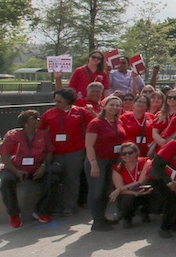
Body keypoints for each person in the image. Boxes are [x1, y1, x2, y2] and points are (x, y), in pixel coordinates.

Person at [1, 110, 60, 228]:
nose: (39, 120)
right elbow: (5, 156)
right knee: (7, 182)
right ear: (26, 122)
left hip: (37, 168)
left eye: (39, 117)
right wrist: (16, 171)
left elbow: (49, 153)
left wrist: (43, 167)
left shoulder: (43, 135)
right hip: (15, 168)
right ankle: (14, 214)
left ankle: (41, 210)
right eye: (35, 118)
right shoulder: (13, 136)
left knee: (54, 179)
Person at [40, 88, 93, 216]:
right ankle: (56, 205)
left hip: (75, 151)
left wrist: (92, 112)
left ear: (68, 101)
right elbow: (40, 130)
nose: (56, 103)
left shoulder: (80, 112)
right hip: (55, 151)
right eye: (55, 100)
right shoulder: (49, 113)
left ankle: (70, 205)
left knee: (72, 178)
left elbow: (93, 124)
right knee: (57, 179)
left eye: (59, 101)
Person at [85, 96, 126, 231]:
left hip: (113, 161)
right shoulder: (96, 122)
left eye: (117, 105)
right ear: (105, 106)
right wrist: (93, 163)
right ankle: (96, 222)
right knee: (96, 191)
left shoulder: (118, 121)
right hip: (98, 160)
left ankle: (102, 217)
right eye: (111, 105)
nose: (114, 108)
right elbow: (89, 145)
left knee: (106, 190)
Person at [108, 142, 152, 229]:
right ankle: (127, 218)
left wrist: (119, 189)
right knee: (127, 198)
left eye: (130, 152)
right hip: (131, 193)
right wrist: (135, 193)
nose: (127, 155)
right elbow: (122, 190)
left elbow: (141, 181)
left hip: (145, 190)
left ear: (136, 152)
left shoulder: (146, 162)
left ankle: (144, 212)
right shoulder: (117, 169)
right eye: (124, 153)